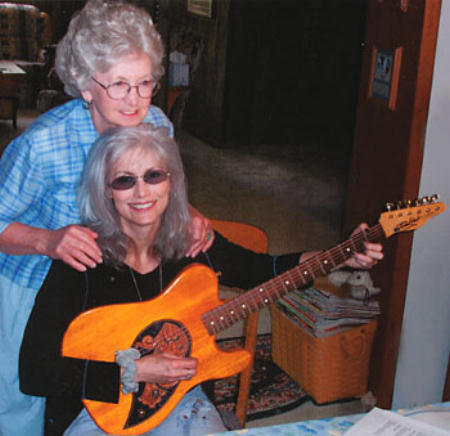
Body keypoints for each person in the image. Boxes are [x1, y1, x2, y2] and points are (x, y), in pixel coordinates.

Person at [19, 124, 383, 436]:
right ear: (105, 191)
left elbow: (266, 270)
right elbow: (35, 372)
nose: (142, 192)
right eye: (124, 181)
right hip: (98, 408)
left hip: (180, 400)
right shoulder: (81, 259)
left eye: (153, 176)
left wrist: (338, 255)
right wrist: (137, 369)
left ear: (172, 183)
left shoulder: (195, 243)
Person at [0, 2, 211, 435]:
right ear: (85, 86)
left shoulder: (157, 124)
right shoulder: (41, 146)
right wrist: (46, 241)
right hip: (31, 279)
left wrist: (187, 211)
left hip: (102, 286)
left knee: (102, 389)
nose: (135, 101)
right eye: (118, 85)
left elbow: (155, 187)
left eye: (144, 82)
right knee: (24, 396)